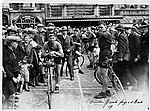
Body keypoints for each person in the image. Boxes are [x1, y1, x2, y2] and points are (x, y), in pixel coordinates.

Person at [94, 22, 113, 99]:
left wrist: (95, 30)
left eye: (101, 27)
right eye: (99, 28)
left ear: (105, 27)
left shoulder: (107, 34)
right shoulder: (102, 34)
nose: (100, 29)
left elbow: (99, 34)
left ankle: (103, 92)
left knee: (103, 74)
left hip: (106, 55)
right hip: (102, 53)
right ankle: (107, 90)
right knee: (99, 74)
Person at [3, 36, 21, 108]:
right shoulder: (5, 53)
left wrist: (19, 74)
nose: (17, 44)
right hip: (9, 77)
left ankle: (12, 107)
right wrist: (12, 77)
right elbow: (6, 67)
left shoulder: (14, 51)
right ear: (11, 43)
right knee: (11, 95)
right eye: (15, 42)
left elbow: (16, 64)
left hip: (15, 76)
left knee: (14, 95)